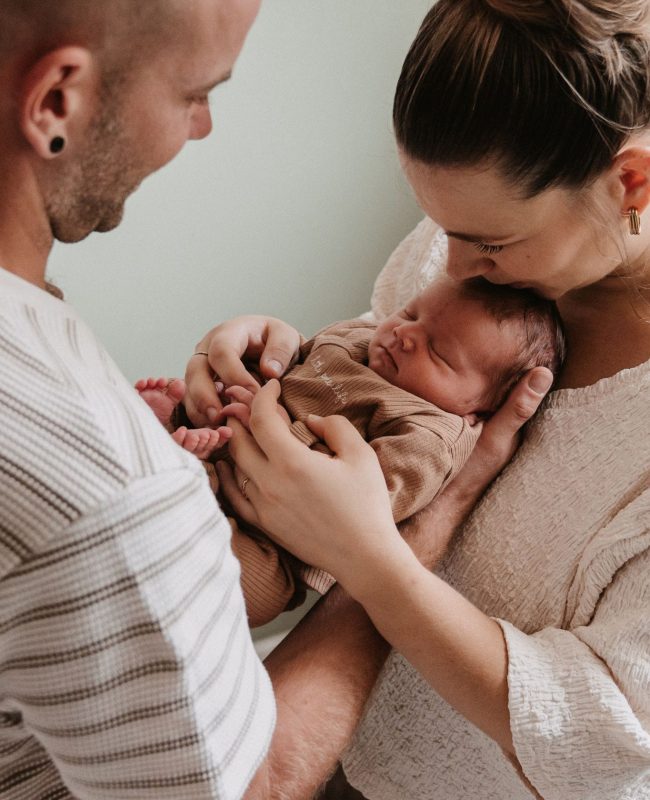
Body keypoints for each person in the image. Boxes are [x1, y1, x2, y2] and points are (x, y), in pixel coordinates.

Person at [183, 1, 650, 797]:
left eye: (491, 243)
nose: (453, 266)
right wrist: (269, 347)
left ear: (631, 181)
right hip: (316, 733)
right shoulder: (466, 240)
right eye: (440, 226)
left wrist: (373, 563)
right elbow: (382, 367)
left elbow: (613, 733)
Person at [139, 275, 564, 626]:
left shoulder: (430, 433)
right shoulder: (358, 339)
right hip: (226, 440)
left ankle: (185, 487)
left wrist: (274, 427)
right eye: (410, 313)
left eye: (438, 351)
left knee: (245, 589)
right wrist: (245, 373)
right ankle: (175, 438)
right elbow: (294, 361)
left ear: (479, 408)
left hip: (272, 543)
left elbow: (372, 498)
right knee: (168, 420)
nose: (404, 335)